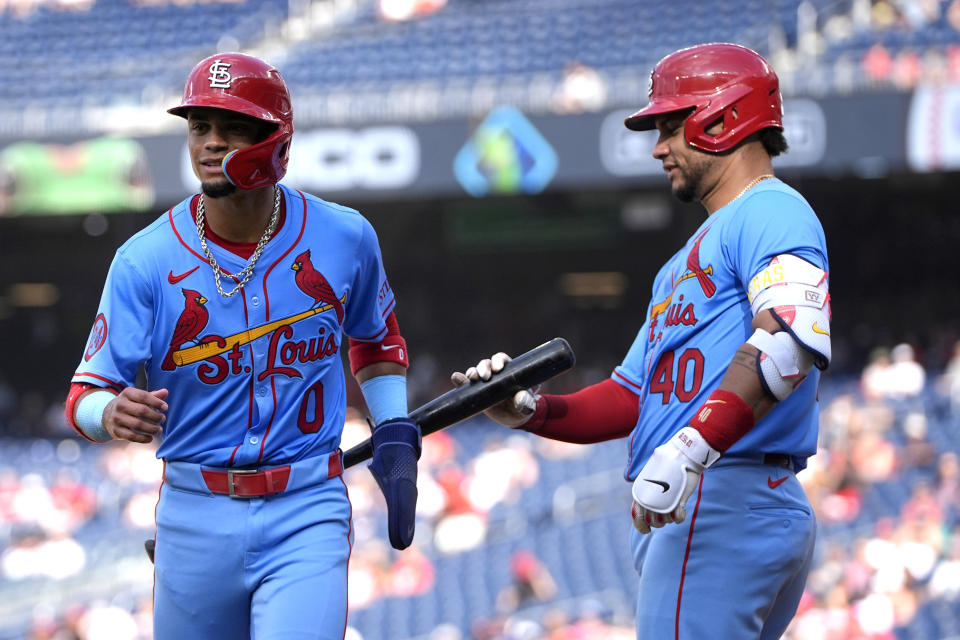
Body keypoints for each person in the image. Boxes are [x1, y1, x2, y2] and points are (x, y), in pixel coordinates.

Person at [453, 43, 831, 639]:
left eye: (670, 125)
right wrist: (529, 410)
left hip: (719, 491)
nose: (658, 147)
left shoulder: (771, 209)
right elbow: (632, 396)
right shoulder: (681, 261)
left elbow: (789, 342)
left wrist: (689, 449)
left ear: (723, 118)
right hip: (730, 493)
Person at [64, 52, 421, 639]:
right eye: (199, 127)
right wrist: (110, 411)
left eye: (231, 128)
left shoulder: (345, 236)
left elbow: (376, 341)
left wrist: (394, 429)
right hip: (192, 510)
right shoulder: (143, 260)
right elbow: (82, 396)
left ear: (275, 140)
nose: (210, 143)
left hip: (306, 503)